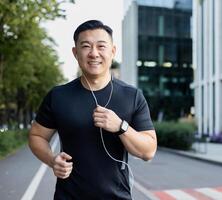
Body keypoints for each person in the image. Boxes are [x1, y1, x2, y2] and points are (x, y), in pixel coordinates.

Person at [28, 20, 157, 199]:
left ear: (112, 51)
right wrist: (52, 160)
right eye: (86, 46)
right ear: (75, 53)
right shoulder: (58, 96)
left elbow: (148, 151)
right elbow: (37, 136)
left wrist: (121, 126)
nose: (94, 53)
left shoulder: (132, 96)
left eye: (101, 46)